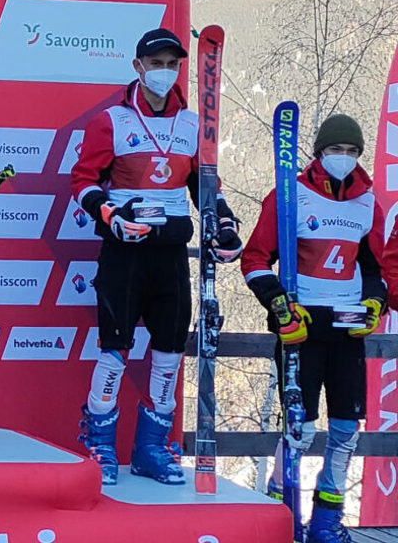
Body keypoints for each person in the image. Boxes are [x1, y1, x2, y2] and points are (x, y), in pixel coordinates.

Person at [70, 28, 244, 486]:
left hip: (170, 253)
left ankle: (151, 447)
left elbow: (205, 187)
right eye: (156, 63)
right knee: (115, 350)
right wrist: (109, 213)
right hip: (124, 252)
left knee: (168, 352)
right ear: (138, 67)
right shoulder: (111, 121)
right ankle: (99, 443)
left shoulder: (192, 125)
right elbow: (83, 181)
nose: (164, 72)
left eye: (172, 64)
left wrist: (224, 224)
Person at [242, 114, 385, 543]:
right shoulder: (291, 195)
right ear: (320, 153)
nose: (344, 158)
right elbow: (255, 258)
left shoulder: (367, 203)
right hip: (301, 328)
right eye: (336, 150)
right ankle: (282, 513)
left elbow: (375, 268)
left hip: (347, 330)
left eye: (352, 151)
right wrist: (278, 305)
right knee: (299, 429)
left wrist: (374, 303)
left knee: (345, 429)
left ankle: (327, 522)